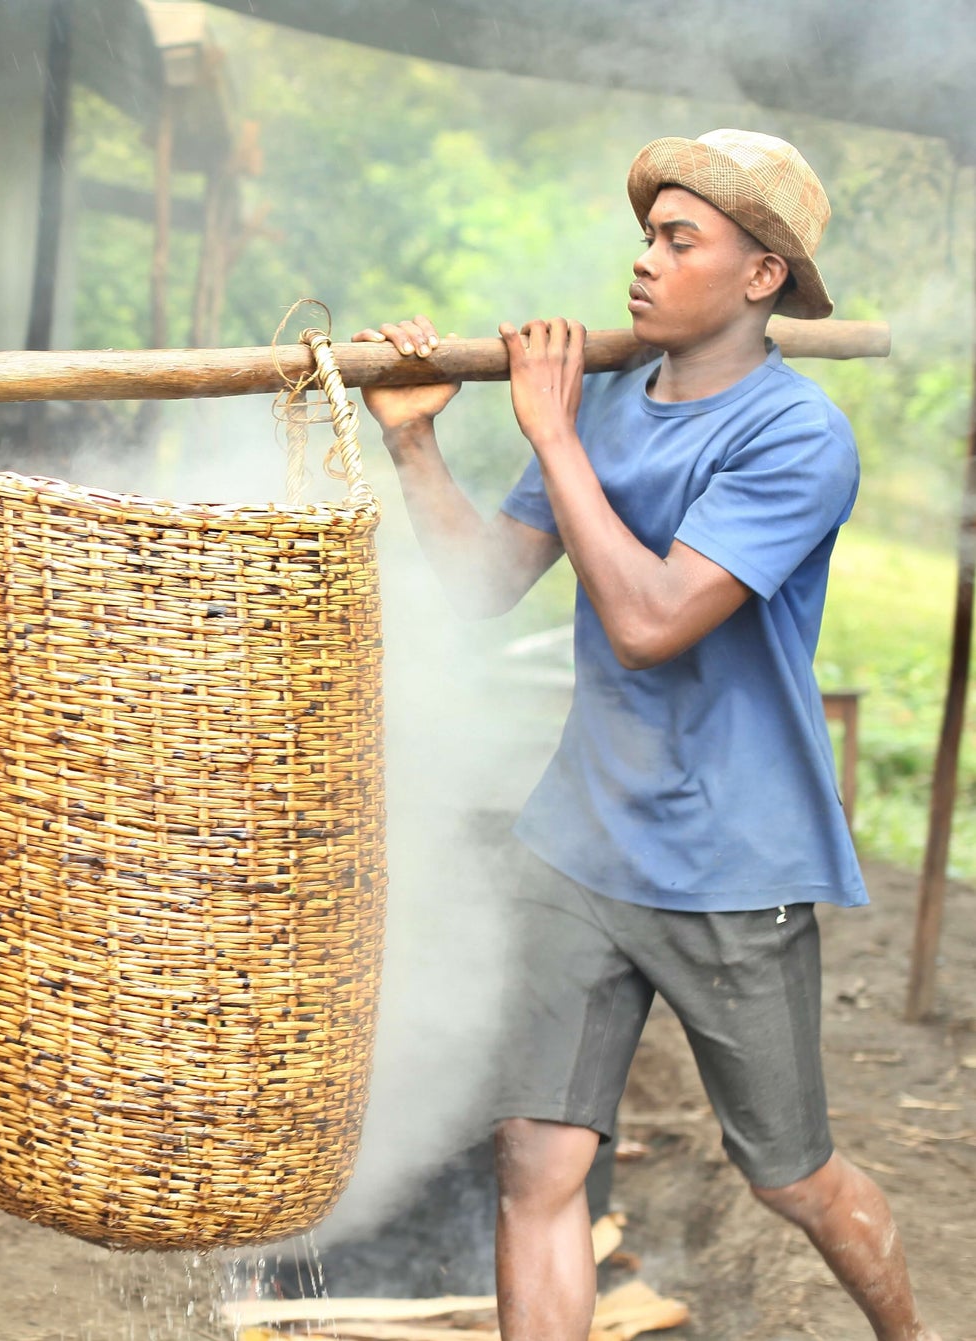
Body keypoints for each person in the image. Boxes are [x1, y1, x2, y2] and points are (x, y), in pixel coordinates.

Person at [354, 131, 937, 1340]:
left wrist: (551, 434)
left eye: (679, 241)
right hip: (576, 846)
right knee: (535, 1162)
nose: (643, 262)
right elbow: (480, 586)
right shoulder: (609, 406)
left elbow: (648, 622)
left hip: (732, 862)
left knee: (789, 1180)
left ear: (761, 275)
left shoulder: (795, 437)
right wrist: (411, 438)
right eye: (645, 237)